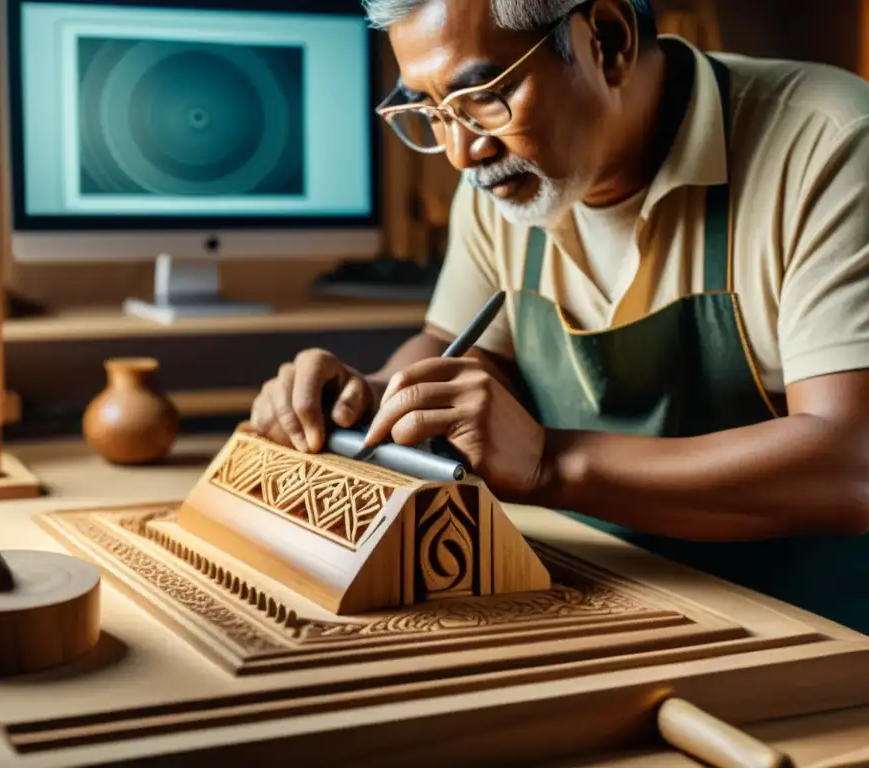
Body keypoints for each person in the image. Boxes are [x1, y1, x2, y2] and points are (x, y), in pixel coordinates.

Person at [249, 0, 869, 633]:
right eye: (432, 112)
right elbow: (463, 349)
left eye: (486, 96)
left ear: (606, 39)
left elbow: (852, 463)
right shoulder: (505, 175)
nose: (461, 152)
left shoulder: (830, 141)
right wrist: (373, 397)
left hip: (811, 633)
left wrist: (551, 464)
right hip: (595, 594)